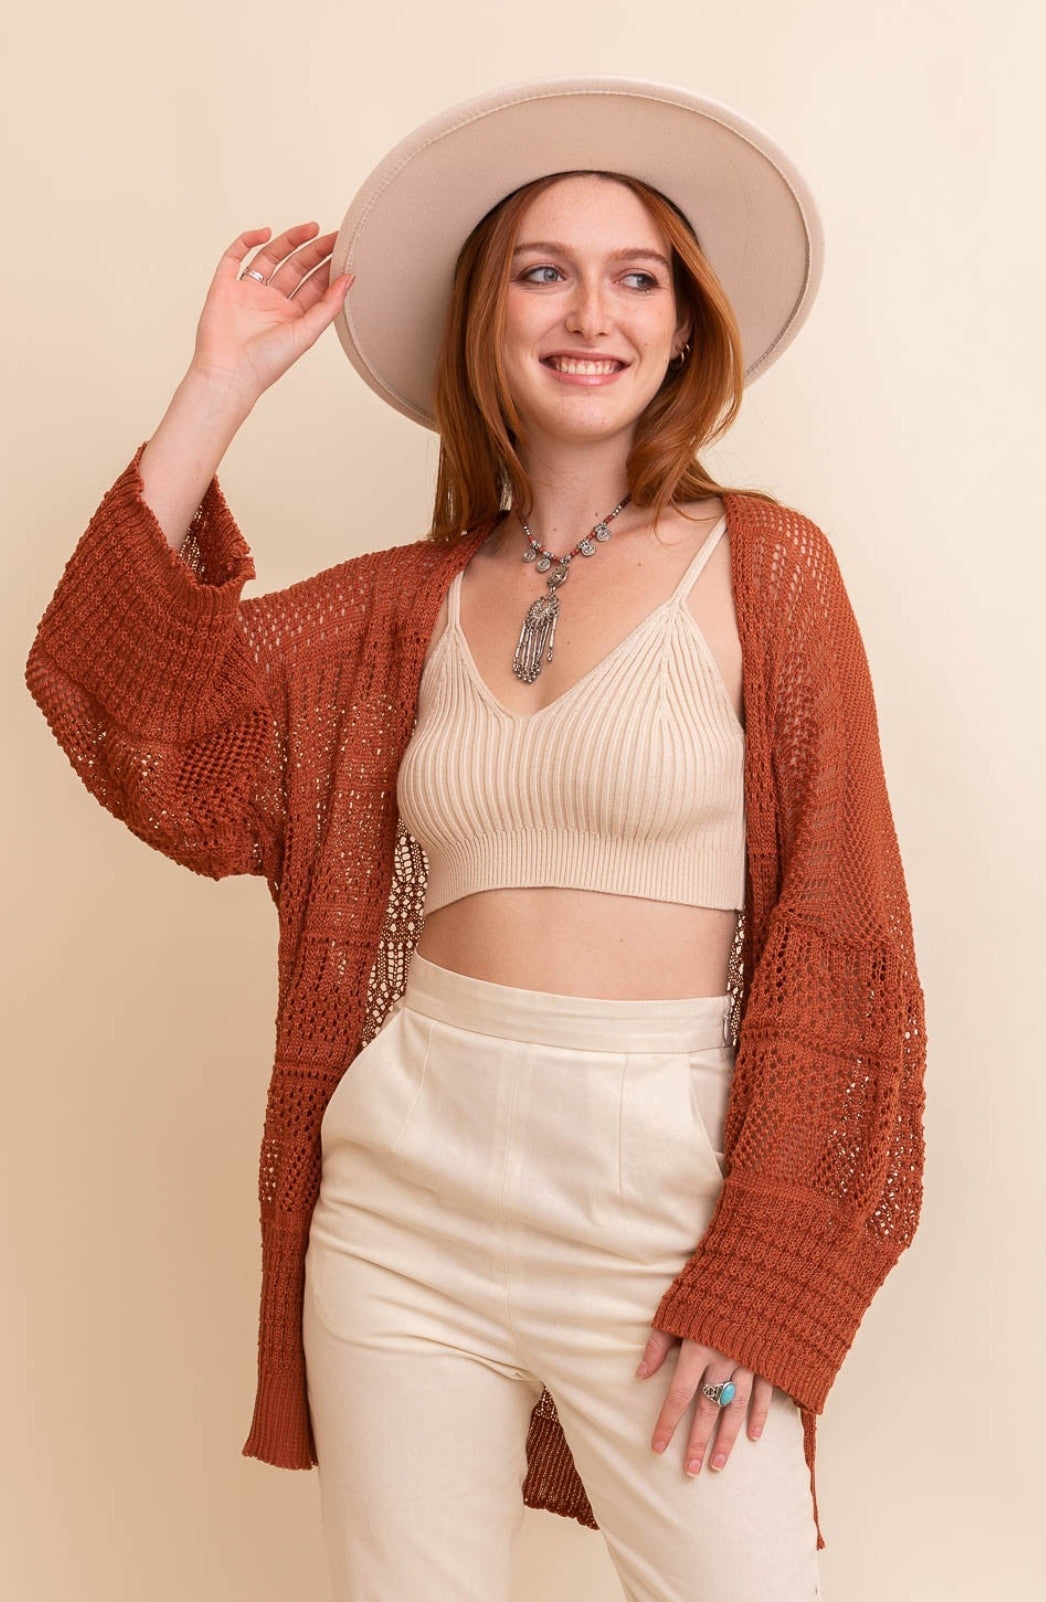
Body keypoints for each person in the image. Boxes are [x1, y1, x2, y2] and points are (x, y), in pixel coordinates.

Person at [25, 78, 927, 1602]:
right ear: (485, 321)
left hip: (661, 1196)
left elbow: (845, 933)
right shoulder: (400, 606)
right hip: (404, 1194)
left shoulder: (766, 568)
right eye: (541, 271)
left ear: (683, 329)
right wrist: (219, 386)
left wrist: (768, 1265)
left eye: (636, 277)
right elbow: (133, 711)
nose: (591, 313)